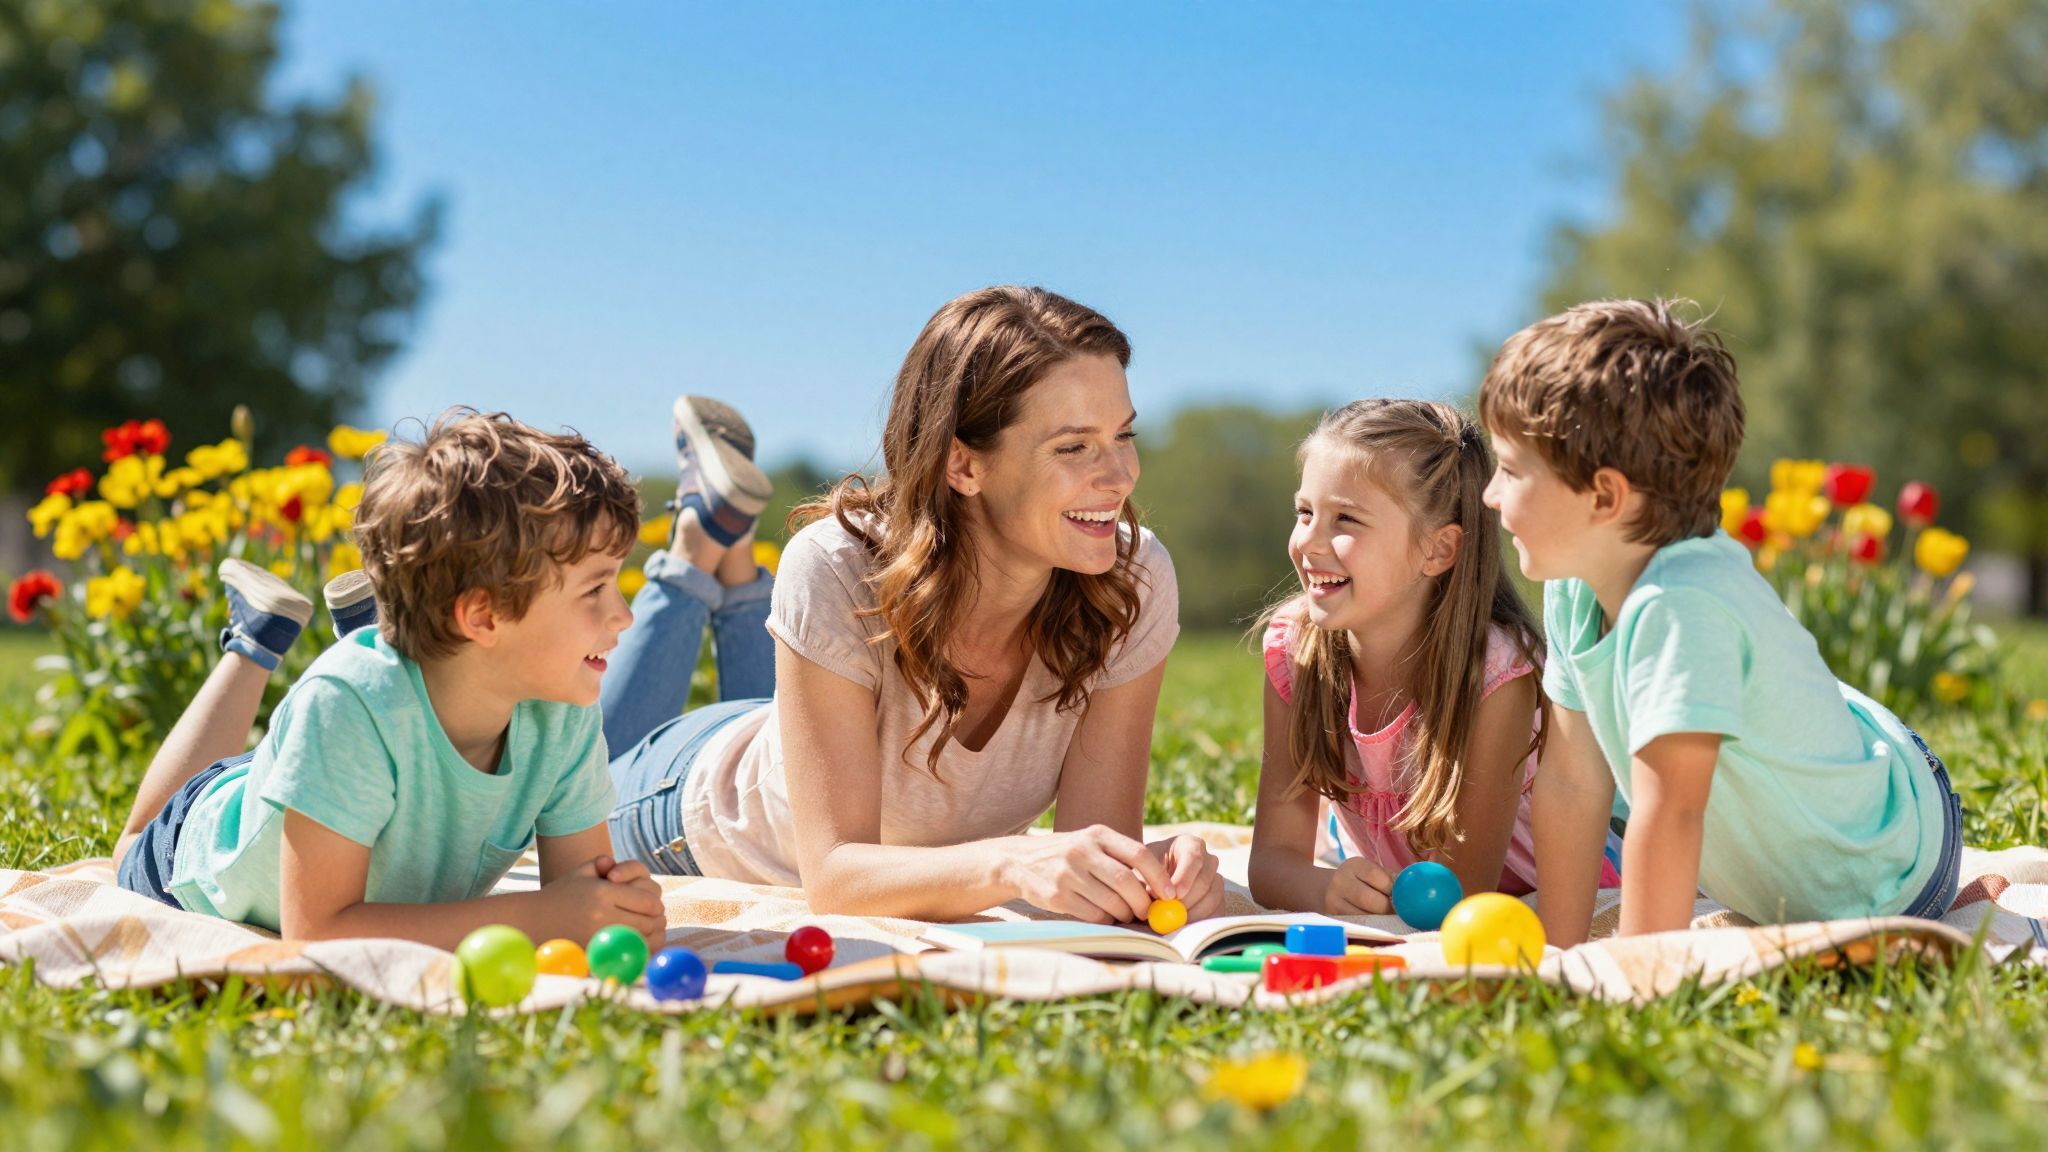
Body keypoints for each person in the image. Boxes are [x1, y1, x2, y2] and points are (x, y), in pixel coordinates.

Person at [595, 286, 1224, 923]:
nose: (1120, 475)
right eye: (1073, 447)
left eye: (1124, 435)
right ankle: (699, 546)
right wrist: (1009, 862)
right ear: (963, 465)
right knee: (575, 772)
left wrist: (1151, 874)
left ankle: (722, 542)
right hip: (685, 805)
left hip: (803, 741)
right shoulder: (837, 565)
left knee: (782, 721)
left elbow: (1099, 859)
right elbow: (837, 879)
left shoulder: (1130, 579)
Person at [1479, 298, 1963, 941]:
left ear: (1604, 496)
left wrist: (1635, 984)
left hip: (1887, 872)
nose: (1490, 494)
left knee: (1669, 785)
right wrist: (1562, 953)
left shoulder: (1685, 604)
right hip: (1791, 839)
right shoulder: (1574, 589)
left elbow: (1672, 812)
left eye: (1510, 471)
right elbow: (1570, 781)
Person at [111, 412, 667, 951]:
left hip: (348, 766)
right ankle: (255, 643)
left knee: (374, 712)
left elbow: (579, 902)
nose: (623, 615)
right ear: (484, 617)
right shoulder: (343, 705)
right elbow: (317, 932)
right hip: (206, 838)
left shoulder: (561, 705)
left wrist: (612, 910)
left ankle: (382, 636)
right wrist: (536, 919)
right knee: (128, 846)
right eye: (594, 591)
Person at [1248, 399, 1618, 914]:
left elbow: (1462, 891)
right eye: (1305, 512)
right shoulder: (1297, 653)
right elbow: (1272, 862)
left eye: (1346, 519)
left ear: (1438, 551)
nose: (1309, 540)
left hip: (1545, 889)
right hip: (1403, 897)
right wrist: (1322, 890)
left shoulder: (1496, 675)